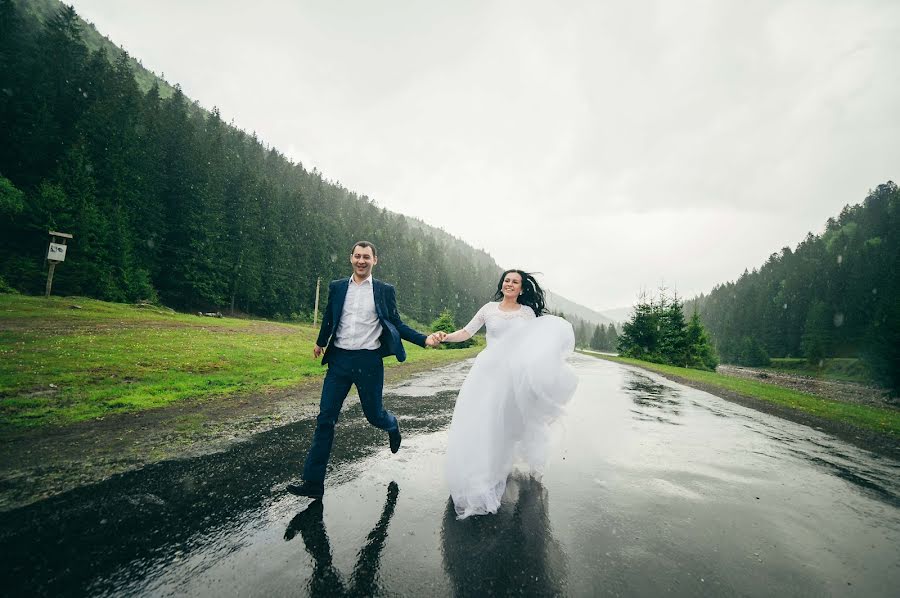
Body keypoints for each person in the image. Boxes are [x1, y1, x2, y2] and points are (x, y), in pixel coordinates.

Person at [287, 241, 442, 499]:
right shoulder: (337, 287)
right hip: (339, 362)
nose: (361, 261)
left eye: (366, 257)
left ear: (374, 261)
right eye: (357, 256)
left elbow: (396, 323)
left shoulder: (383, 290)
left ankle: (392, 425)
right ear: (350, 258)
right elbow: (329, 315)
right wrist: (320, 341)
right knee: (325, 419)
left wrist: (424, 339)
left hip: (369, 362)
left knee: (374, 416)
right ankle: (313, 483)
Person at [434, 269, 578, 519]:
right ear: (502, 285)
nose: (510, 284)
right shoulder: (488, 309)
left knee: (508, 423)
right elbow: (467, 332)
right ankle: (483, 471)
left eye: (515, 282)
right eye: (507, 281)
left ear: (522, 289)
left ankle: (500, 462)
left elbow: (537, 344)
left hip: (513, 377)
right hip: (487, 373)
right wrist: (446, 336)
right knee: (485, 420)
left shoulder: (527, 313)